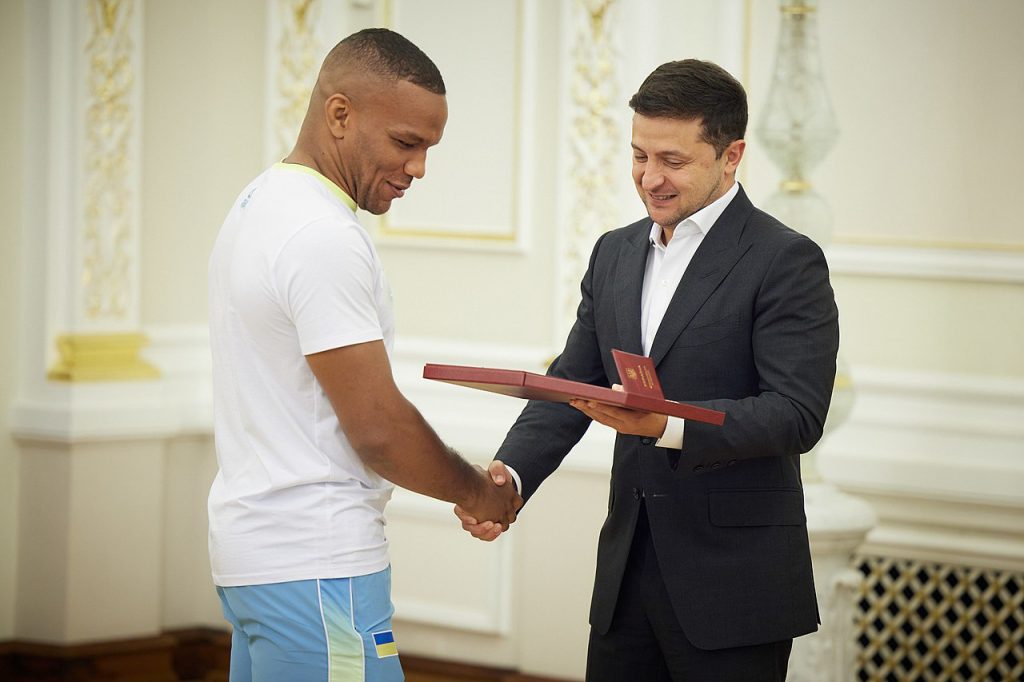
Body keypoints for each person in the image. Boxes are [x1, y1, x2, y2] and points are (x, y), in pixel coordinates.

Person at [458, 59, 839, 681]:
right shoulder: (614, 251)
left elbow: (795, 414)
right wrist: (508, 479)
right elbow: (569, 384)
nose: (650, 178)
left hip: (735, 589)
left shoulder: (786, 260)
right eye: (639, 156)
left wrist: (664, 425)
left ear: (732, 154)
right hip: (625, 580)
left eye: (673, 160)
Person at [207, 28, 521, 682]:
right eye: (405, 143)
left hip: (258, 565)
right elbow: (377, 428)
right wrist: (475, 493)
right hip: (318, 570)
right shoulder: (321, 235)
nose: (418, 168)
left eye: (428, 149)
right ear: (340, 114)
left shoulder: (257, 203)